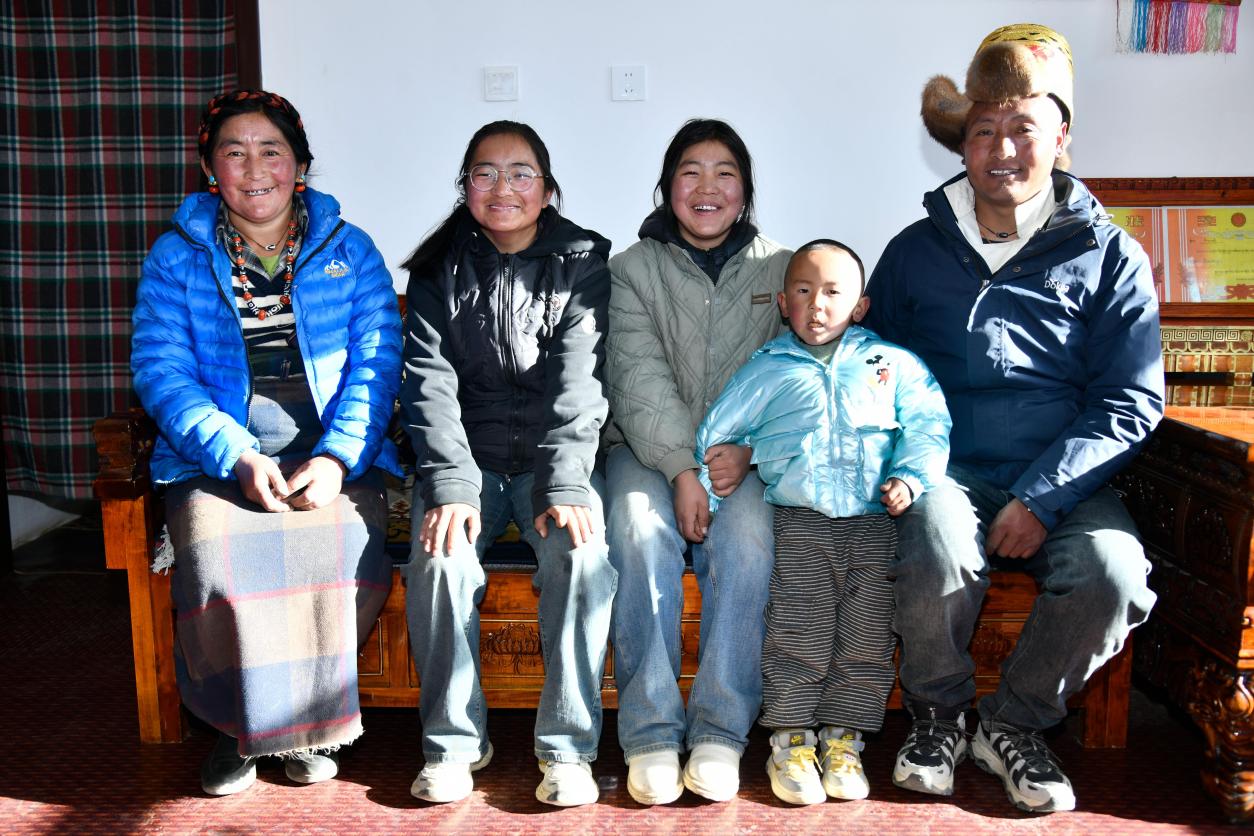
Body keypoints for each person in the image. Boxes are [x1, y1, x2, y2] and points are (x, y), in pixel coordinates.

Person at [864, 24, 1164, 813]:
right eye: (983, 130)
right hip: (944, 467)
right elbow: (875, 370)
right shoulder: (913, 252)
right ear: (961, 144)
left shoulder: (1111, 256)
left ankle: (1013, 724)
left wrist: (1041, 498)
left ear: (1060, 136)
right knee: (935, 541)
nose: (1002, 149)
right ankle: (937, 717)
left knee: (1114, 573)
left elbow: (1131, 400)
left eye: (1022, 128)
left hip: (1063, 474)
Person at [131, 89, 403, 796]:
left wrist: (337, 457)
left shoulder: (350, 249)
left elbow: (377, 362)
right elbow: (162, 369)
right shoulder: (176, 257)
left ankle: (307, 726)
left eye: (271, 151)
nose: (255, 169)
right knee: (212, 546)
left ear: (300, 166)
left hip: (331, 447)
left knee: (339, 542)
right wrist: (236, 455)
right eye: (234, 152)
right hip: (217, 452)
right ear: (209, 169)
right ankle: (237, 730)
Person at [400, 121, 616, 807]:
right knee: (439, 559)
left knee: (582, 557)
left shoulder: (583, 263)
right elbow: (427, 385)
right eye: (485, 173)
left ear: (547, 190)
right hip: (467, 461)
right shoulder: (437, 271)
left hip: (554, 464)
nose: (503, 187)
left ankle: (568, 750)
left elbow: (581, 384)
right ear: (465, 188)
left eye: (521, 173)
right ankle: (453, 745)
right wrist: (451, 486)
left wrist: (566, 483)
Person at [695, 240, 951, 805]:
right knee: (798, 632)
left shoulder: (892, 365)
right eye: (804, 291)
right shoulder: (767, 369)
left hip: (874, 526)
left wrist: (910, 477)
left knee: (867, 636)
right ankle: (790, 740)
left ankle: (844, 740)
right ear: (783, 302)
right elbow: (717, 432)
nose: (817, 305)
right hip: (800, 526)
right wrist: (711, 494)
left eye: (833, 292)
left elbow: (928, 425)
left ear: (860, 305)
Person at [605, 118, 792, 805]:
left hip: (745, 456)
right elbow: (636, 377)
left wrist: (753, 449)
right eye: (690, 171)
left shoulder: (783, 269)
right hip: (645, 449)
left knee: (748, 543)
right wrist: (683, 469)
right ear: (666, 186)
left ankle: (720, 730)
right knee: (636, 530)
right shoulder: (630, 269)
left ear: (745, 191)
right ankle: (651, 733)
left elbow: (798, 374)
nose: (707, 187)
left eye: (725, 173)